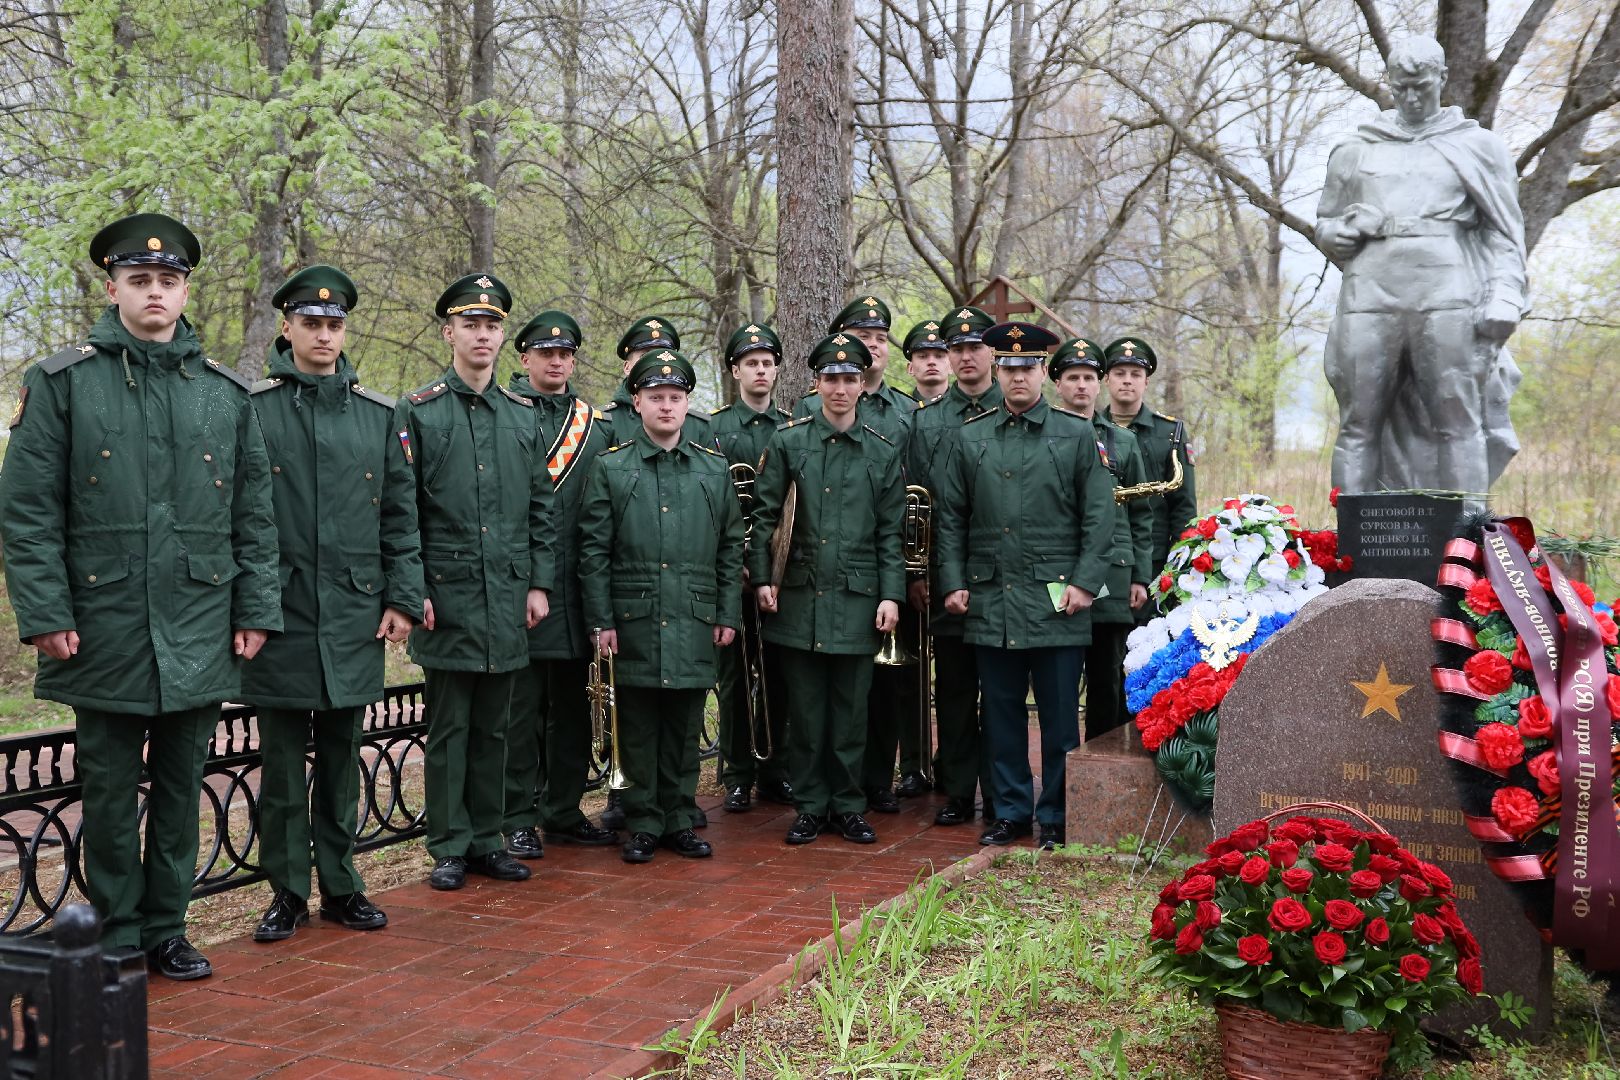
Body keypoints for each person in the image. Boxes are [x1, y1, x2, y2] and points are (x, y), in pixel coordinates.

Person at [0, 212, 281, 979]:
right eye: (140, 280)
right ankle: (120, 929)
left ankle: (168, 927)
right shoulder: (63, 384)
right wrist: (47, 613)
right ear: (113, 286)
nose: (155, 291)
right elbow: (26, 511)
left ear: (186, 288)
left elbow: (254, 514)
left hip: (200, 619)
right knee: (112, 791)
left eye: (168, 279)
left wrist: (256, 608)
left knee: (185, 782)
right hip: (105, 623)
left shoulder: (224, 393)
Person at [245, 266, 421, 942]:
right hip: (282, 616)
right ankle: (286, 892)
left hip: (354, 614)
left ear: (345, 329)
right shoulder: (254, 409)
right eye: (310, 322)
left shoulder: (380, 415)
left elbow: (402, 517)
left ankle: (343, 886)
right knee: (285, 767)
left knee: (344, 760)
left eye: (334, 323)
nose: (323, 334)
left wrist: (403, 598)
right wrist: (248, 609)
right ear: (287, 328)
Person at [396, 273, 555, 891]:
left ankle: (489, 838)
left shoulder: (522, 416)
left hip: (509, 595)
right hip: (448, 595)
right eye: (471, 325)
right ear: (450, 333)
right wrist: (416, 591)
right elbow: (402, 510)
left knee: (498, 727)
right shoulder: (418, 410)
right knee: (450, 730)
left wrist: (538, 583)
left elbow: (539, 507)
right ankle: (449, 845)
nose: (482, 335)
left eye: (492, 325)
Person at [1315, 35, 1528, 495]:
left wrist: (1506, 294)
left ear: (1443, 80)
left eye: (1422, 87)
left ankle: (1466, 552)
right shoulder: (1356, 149)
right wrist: (1337, 234)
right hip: (1370, 295)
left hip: (1449, 295)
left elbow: (1505, 233)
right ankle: (1352, 553)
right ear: (1390, 83)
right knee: (1357, 423)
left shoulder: (1479, 147)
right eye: (1401, 87)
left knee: (1458, 421)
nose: (1411, 98)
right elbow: (1326, 223)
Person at [936, 322, 1116, 850]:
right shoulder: (971, 436)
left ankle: (1057, 815)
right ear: (998, 371)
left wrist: (1086, 584)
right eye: (1009, 368)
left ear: (1043, 372)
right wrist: (951, 582)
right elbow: (950, 518)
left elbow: (1099, 517)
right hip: (992, 600)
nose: (1018, 377)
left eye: (1028, 367)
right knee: (1001, 715)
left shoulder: (1077, 435)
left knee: (1061, 719)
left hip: (1057, 602)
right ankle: (1011, 811)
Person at [577, 349, 744, 864]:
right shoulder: (611, 468)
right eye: (656, 398)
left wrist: (726, 613)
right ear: (638, 402)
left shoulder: (711, 471)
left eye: (675, 398)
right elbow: (593, 549)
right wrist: (601, 619)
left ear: (688, 404)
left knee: (685, 722)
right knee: (641, 723)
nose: (666, 407)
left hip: (694, 617)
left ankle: (679, 816)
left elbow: (731, 546)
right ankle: (645, 821)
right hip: (635, 619)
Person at [751, 334, 903, 846]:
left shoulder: (881, 452)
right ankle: (811, 806)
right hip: (798, 597)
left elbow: (890, 531)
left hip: (859, 599)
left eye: (850, 379)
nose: (840, 388)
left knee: (851, 710)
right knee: (807, 713)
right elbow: (764, 518)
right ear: (816, 384)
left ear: (863, 385)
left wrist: (891, 594)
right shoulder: (791, 441)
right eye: (831, 379)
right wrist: (762, 581)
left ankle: (848, 804)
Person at [501, 309, 619, 859]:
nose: (556, 361)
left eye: (565, 353)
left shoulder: (597, 426)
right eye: (546, 353)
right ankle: (517, 815)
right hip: (523, 591)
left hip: (577, 592)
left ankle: (564, 809)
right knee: (521, 714)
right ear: (523, 358)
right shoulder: (505, 413)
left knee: (573, 711)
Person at [904, 304, 1001, 825]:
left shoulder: (1011, 407)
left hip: (1003, 577)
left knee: (1003, 691)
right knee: (957, 690)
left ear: (990, 352)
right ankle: (960, 791)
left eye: (972, 346)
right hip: (946, 576)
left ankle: (1004, 790)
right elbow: (915, 502)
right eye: (954, 348)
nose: (964, 356)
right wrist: (918, 573)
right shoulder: (926, 422)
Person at [1050, 338, 1153, 739]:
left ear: (1100, 383)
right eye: (1072, 377)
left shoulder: (1123, 442)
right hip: (1059, 570)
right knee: (1060, 675)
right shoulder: (1046, 435)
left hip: (1114, 573)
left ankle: (1101, 761)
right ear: (1057, 384)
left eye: (1089, 378)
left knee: (1107, 676)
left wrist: (1140, 576)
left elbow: (1141, 516)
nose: (1081, 386)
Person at [710, 323, 794, 813]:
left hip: (778, 577)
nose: (760, 370)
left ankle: (775, 770)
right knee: (736, 678)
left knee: (779, 674)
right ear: (736, 370)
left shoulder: (791, 426)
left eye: (768, 363)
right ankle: (737, 772)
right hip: (733, 576)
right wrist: (733, 566)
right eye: (751, 363)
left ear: (776, 370)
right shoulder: (715, 429)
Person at [1101, 336, 1196, 612]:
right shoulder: (1089, 429)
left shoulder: (1169, 433)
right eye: (1119, 373)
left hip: (1157, 560)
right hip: (1104, 555)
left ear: (1146, 381)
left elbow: (1184, 506)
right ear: (1106, 379)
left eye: (1135, 374)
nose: (1127, 380)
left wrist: (1178, 567)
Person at [903, 320, 950, 403]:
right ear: (910, 368)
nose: (931, 362)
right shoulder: (897, 410)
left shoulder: (968, 407)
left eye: (939, 356)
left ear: (951, 366)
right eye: (922, 356)